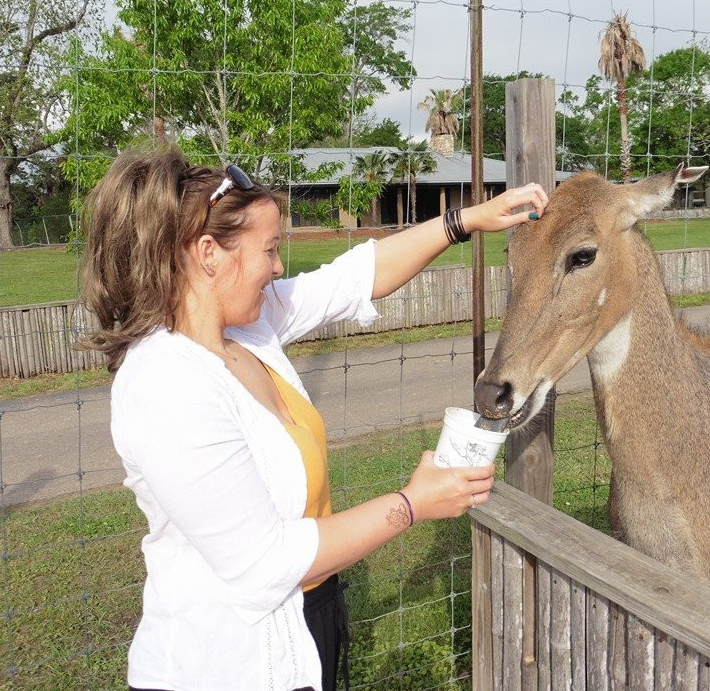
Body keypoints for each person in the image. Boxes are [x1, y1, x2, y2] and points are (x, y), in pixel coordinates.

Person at [78, 145, 548, 691]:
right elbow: (264, 562)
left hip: (309, 618)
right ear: (209, 253)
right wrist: (411, 505)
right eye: (270, 250)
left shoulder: (247, 327)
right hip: (228, 667)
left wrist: (466, 219)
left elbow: (354, 277)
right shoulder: (165, 383)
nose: (279, 268)